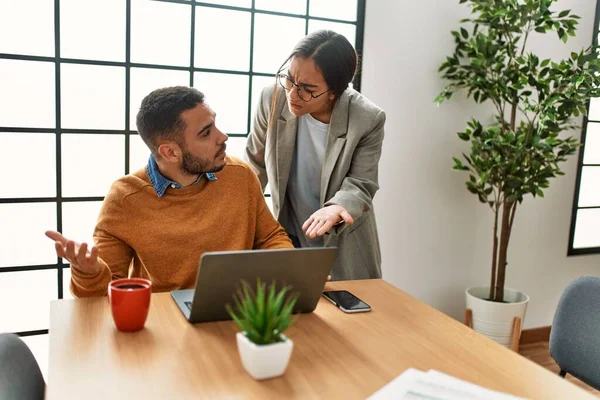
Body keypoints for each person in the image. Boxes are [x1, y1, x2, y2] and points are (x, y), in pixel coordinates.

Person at [46, 86, 293, 298]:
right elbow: (107, 292)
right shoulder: (125, 199)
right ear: (170, 153)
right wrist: (88, 273)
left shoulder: (240, 175)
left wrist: (291, 269)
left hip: (235, 314)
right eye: (206, 133)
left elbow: (270, 237)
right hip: (164, 326)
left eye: (214, 124)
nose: (223, 137)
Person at [245, 30, 386, 280]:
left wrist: (337, 207)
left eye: (307, 89)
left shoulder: (367, 118)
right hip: (290, 236)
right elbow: (253, 165)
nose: (292, 94)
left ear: (334, 91)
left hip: (344, 244)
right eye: (289, 79)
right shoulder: (272, 98)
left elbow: (361, 182)